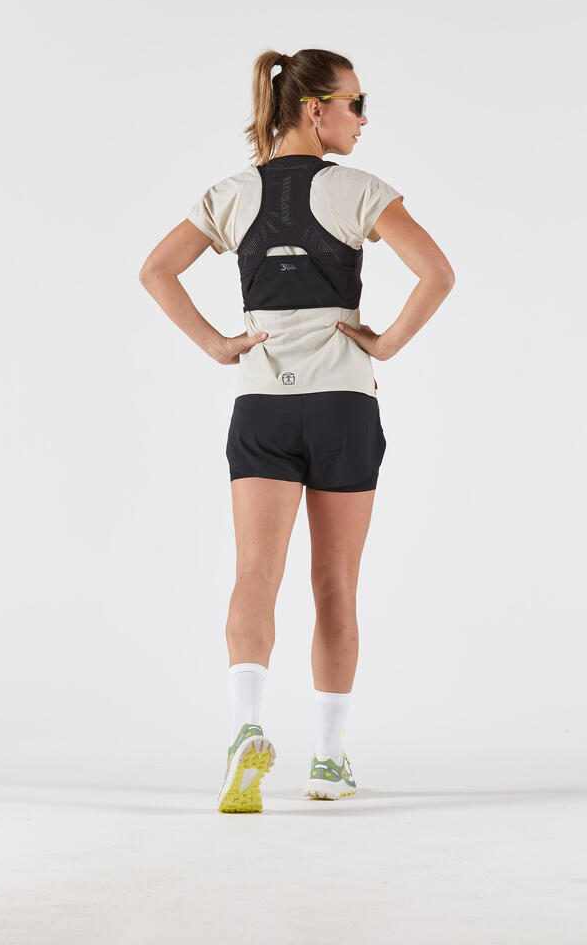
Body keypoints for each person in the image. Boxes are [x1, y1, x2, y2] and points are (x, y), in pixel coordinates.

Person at [139, 48, 454, 813]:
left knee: (255, 574)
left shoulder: (231, 193)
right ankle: (326, 758)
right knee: (334, 584)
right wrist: (384, 344)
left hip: (262, 405)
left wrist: (218, 345)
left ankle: (245, 730)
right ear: (315, 109)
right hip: (342, 403)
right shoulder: (357, 189)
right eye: (355, 103)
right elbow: (438, 273)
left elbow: (156, 270)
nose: (363, 119)